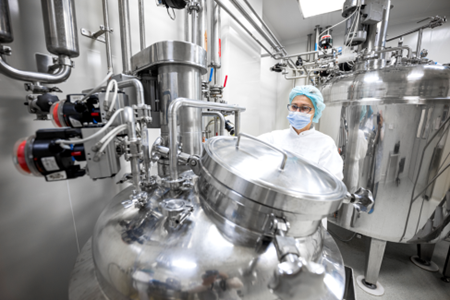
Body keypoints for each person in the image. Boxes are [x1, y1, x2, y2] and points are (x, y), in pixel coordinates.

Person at [258, 85, 343, 180]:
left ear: (315, 111)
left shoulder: (325, 144)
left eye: (305, 108)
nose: (297, 112)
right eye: (294, 107)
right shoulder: (272, 138)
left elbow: (331, 181)